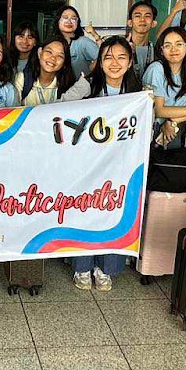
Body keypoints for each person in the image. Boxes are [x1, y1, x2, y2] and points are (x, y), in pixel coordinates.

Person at [58, 36, 145, 291]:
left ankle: (106, 268)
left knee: (116, 212)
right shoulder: (87, 85)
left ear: (130, 62)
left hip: (123, 166)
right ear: (99, 62)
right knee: (85, 212)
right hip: (87, 165)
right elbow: (59, 108)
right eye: (108, 57)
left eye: (121, 57)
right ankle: (81, 266)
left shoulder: (138, 94)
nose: (114, 63)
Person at [144, 26, 186, 150]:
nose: (173, 49)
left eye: (179, 44)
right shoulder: (156, 69)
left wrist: (172, 122)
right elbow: (159, 110)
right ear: (162, 51)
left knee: (171, 165)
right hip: (151, 128)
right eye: (167, 45)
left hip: (176, 127)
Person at [46, 4, 101, 79]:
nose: (69, 21)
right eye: (65, 17)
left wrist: (94, 35)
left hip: (80, 88)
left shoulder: (83, 42)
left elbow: (104, 55)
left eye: (73, 18)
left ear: (77, 23)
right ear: (58, 21)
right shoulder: (51, 43)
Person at [16, 37, 74, 106]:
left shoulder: (67, 85)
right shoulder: (23, 79)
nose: (53, 58)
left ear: (64, 63)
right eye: (49, 52)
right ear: (40, 53)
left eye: (60, 56)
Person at [126, 0, 158, 74]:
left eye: (147, 16)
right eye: (137, 16)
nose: (142, 19)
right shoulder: (118, 47)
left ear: (153, 23)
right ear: (130, 22)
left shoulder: (157, 52)